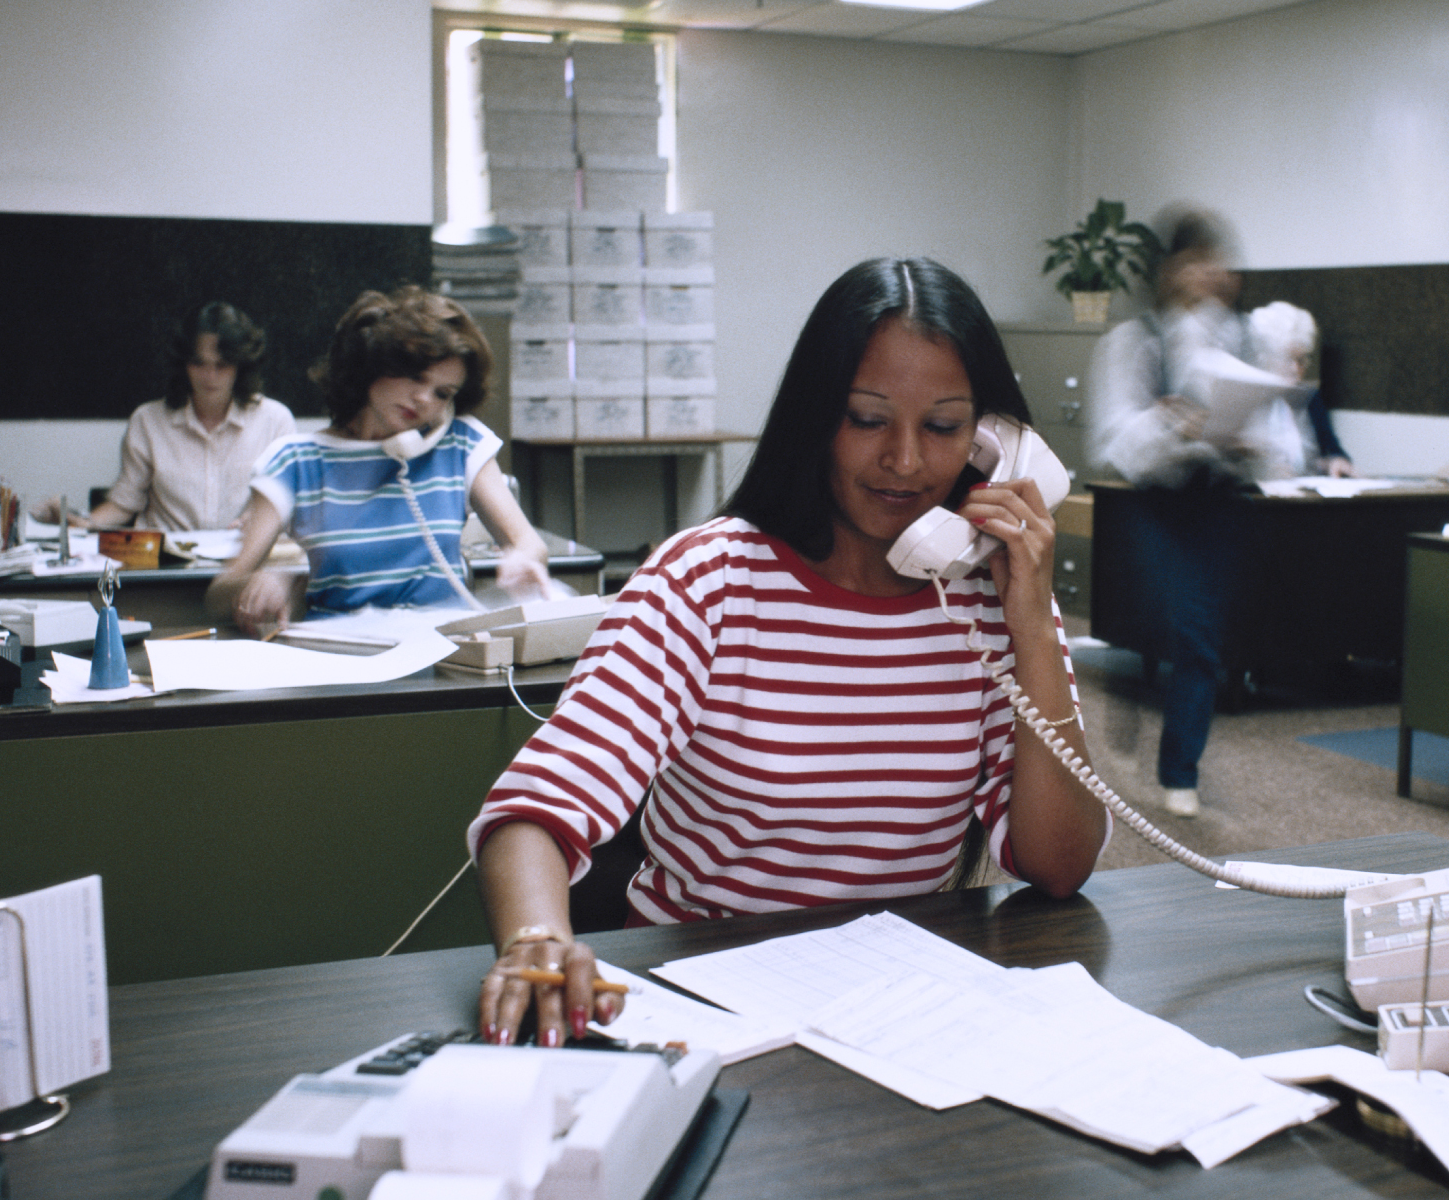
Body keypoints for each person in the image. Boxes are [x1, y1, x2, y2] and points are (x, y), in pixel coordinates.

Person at [469, 258, 1108, 1048]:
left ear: (992, 444)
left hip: (903, 1010)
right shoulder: (707, 581)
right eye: (868, 419)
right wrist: (537, 939)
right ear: (817, 416)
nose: (905, 460)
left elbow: (1058, 866)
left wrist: (1034, 632)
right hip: (705, 1006)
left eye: (943, 428)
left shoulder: (989, 599)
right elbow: (536, 808)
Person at [208, 287, 551, 633]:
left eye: (442, 393)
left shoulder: (460, 446)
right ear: (373, 362)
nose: (424, 399)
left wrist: (523, 559)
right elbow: (218, 595)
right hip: (345, 662)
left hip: (448, 656)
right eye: (416, 376)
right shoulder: (295, 463)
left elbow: (528, 543)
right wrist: (278, 578)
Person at [1086, 209, 1267, 819]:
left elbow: (1277, 436)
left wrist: (1244, 441)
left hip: (1218, 503)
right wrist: (1170, 423)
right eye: (1195, 261)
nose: (1211, 275)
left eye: (1219, 261)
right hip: (1159, 504)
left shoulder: (1243, 339)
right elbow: (1113, 440)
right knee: (1174, 624)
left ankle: (1178, 768)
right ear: (1168, 271)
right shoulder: (1134, 341)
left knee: (1201, 636)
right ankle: (1143, 727)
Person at [58, 302, 295, 532]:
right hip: (165, 563)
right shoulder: (147, 421)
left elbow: (288, 501)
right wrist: (81, 524)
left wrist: (259, 518)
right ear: (183, 363)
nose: (209, 376)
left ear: (241, 365)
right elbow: (124, 504)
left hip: (241, 560)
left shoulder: (274, 420)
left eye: (222, 365)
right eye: (198, 363)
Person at [1245, 301, 1355, 479]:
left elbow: (1333, 450)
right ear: (1262, 357)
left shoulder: (1310, 399)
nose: (1295, 369)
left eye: (1301, 360)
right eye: (1287, 359)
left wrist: (1335, 461)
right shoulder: (1241, 398)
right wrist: (1261, 472)